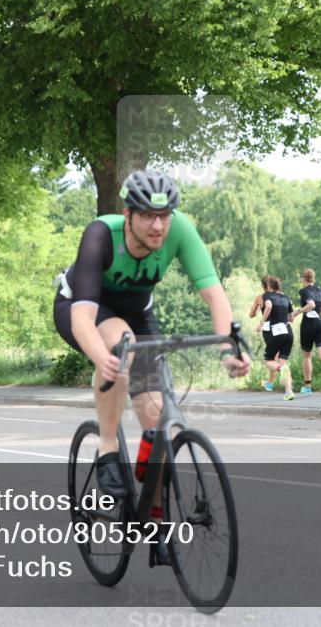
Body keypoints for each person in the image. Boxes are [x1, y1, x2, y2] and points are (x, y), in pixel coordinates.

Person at [53, 170, 251, 507]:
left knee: (160, 421)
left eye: (163, 216)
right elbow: (82, 320)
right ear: (128, 215)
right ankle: (107, 448)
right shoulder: (101, 235)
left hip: (136, 312)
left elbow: (214, 294)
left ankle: (154, 517)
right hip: (81, 307)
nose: (157, 226)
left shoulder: (180, 229)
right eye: (147, 215)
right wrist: (103, 357)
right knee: (121, 343)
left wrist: (226, 349)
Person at [261, 277, 296, 400]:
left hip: (276, 332)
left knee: (268, 359)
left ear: (269, 287)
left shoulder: (267, 295)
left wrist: (261, 322)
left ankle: (281, 368)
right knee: (284, 363)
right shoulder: (286, 297)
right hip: (289, 333)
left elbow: (269, 307)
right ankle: (289, 391)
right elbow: (291, 318)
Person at [248, 275, 273, 386]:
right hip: (284, 328)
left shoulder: (260, 298)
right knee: (279, 355)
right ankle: (273, 381)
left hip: (268, 328)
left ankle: (271, 382)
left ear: (263, 286)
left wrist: (258, 308)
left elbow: (251, 315)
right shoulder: (281, 296)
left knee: (271, 356)